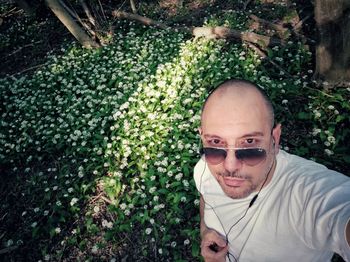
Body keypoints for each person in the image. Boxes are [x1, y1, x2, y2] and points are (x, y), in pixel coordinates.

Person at [194, 79, 350, 262]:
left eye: (250, 143)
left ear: (275, 139)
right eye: (215, 143)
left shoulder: (306, 194)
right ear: (202, 137)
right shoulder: (205, 167)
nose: (230, 166)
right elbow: (206, 195)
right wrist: (205, 231)